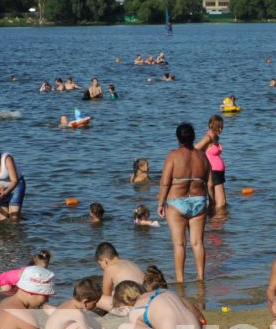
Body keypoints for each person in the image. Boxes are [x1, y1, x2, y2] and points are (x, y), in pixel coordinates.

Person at [156, 122, 209, 283]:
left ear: (178, 138)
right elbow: (210, 183)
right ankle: (201, 277)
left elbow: (165, 182)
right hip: (199, 201)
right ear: (193, 137)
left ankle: (180, 280)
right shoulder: (202, 155)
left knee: (179, 244)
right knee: (197, 243)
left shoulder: (173, 155)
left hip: (176, 203)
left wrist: (160, 203)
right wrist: (211, 203)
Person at [95, 242, 144, 310]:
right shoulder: (130, 263)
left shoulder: (109, 268)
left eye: (100, 264)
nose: (101, 267)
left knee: (96, 298)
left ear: (105, 261)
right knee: (115, 293)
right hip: (145, 298)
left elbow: (106, 294)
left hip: (134, 304)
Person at [196, 113, 228, 217]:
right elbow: (195, 148)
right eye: (219, 126)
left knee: (217, 202)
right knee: (221, 203)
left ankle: (215, 223)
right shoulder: (208, 137)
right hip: (213, 172)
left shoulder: (214, 137)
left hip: (217, 173)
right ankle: (216, 222)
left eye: (221, 126)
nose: (221, 129)